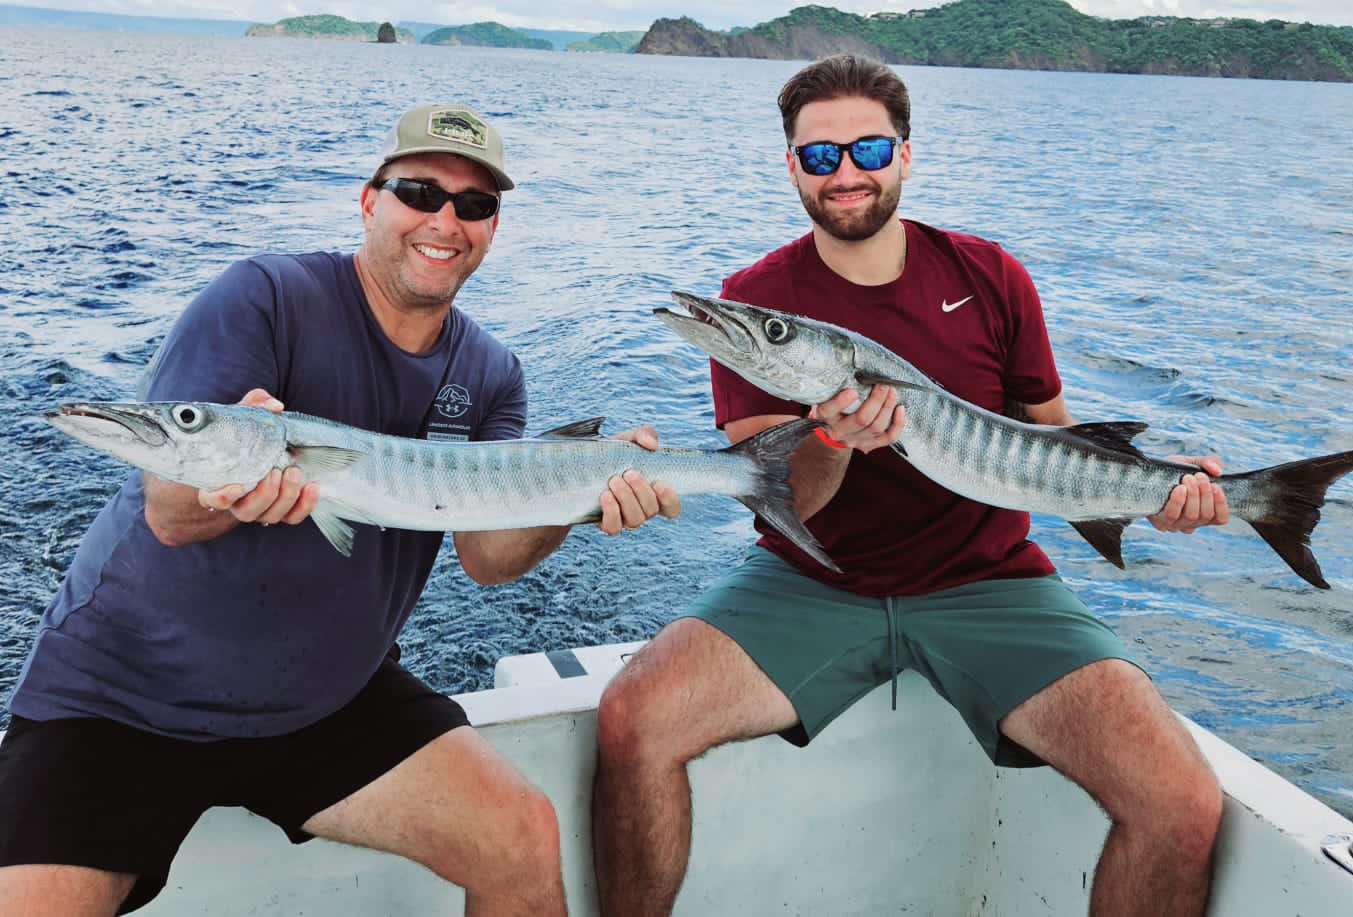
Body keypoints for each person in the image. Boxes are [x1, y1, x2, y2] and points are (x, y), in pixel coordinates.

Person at [0, 102, 679, 916]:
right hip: (126, 697)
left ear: (492, 227)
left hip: (327, 697)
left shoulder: (491, 372)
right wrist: (238, 486)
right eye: (419, 192)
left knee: (522, 837)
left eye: (473, 204)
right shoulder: (263, 295)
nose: (444, 221)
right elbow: (172, 513)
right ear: (368, 201)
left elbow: (488, 559)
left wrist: (578, 504)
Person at [592, 55, 1227, 916]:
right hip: (813, 578)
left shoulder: (988, 275)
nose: (844, 172)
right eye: (819, 155)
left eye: (867, 149)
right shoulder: (756, 298)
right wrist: (830, 439)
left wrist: (1159, 493)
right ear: (790, 166)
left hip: (990, 580)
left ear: (904, 154)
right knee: (633, 720)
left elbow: (1055, 436)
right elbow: (782, 501)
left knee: (1180, 801)